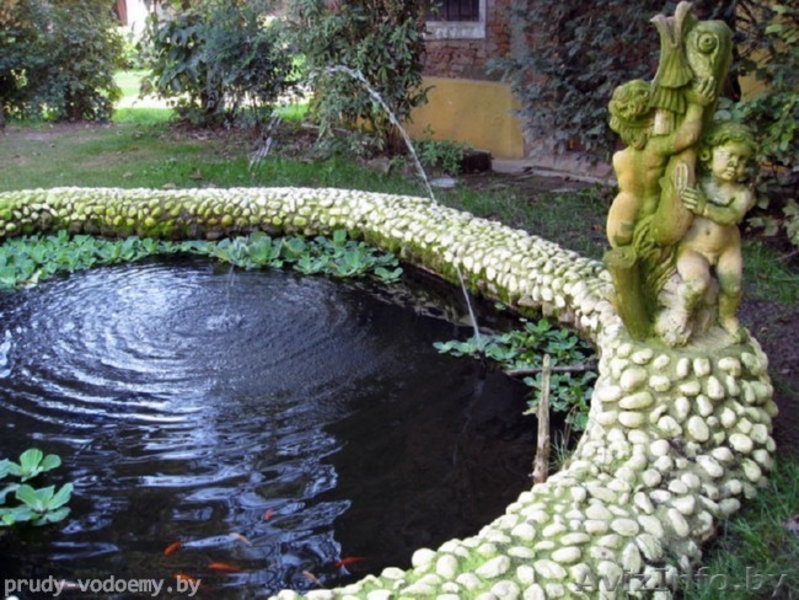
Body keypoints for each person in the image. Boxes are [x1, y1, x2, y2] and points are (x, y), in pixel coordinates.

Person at [606, 76, 716, 248]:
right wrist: (697, 105)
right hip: (644, 218)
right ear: (651, 120)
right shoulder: (655, 148)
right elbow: (687, 136)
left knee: (626, 256)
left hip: (617, 222)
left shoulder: (618, 157)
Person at [674, 120, 756, 341]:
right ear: (707, 154)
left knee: (733, 288)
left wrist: (704, 208)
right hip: (693, 248)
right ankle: (681, 314)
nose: (735, 164)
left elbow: (731, 216)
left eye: (742, 159)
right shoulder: (696, 183)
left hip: (727, 249)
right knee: (696, 285)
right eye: (729, 155)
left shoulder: (740, 194)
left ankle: (727, 316)